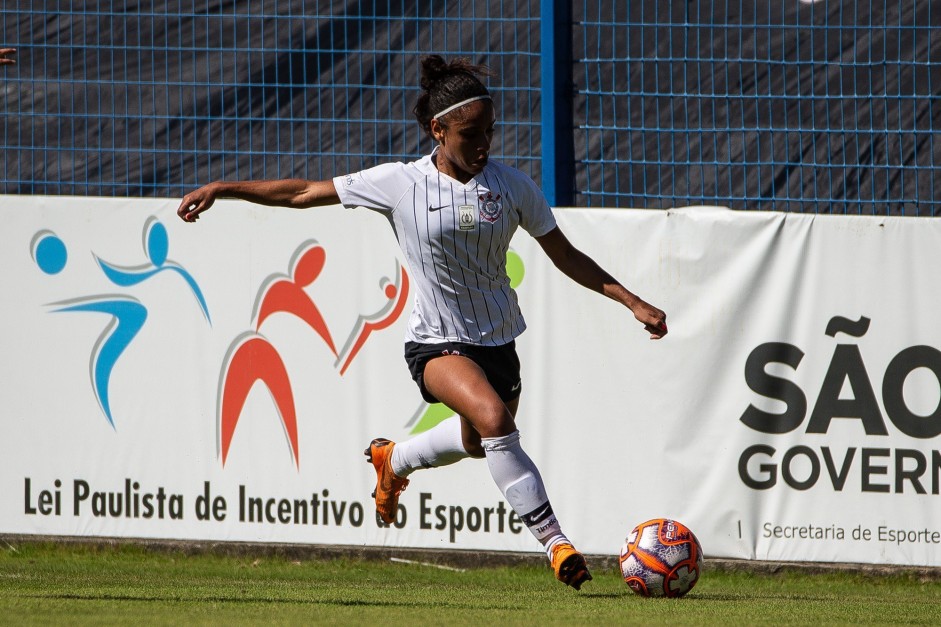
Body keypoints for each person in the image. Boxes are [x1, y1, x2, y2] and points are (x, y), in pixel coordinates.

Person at [177, 55, 667, 590]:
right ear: (438, 129)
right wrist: (223, 188)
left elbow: (565, 255)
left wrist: (632, 301)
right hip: (435, 344)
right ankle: (556, 543)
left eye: (490, 132)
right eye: (470, 133)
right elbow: (302, 192)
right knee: (496, 422)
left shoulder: (511, 187)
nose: (484, 144)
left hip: (499, 339)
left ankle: (395, 459)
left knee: (479, 440)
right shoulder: (398, 183)